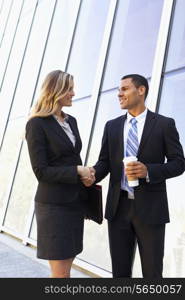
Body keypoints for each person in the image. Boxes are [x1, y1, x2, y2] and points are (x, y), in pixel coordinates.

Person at [83, 74, 185, 278]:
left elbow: (179, 163)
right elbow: (104, 162)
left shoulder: (164, 124)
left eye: (125, 89)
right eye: (119, 89)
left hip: (151, 209)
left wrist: (149, 171)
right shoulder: (111, 126)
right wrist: (92, 174)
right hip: (118, 208)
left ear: (141, 90)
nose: (119, 94)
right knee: (120, 273)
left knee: (152, 273)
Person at [26, 70, 94, 278]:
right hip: (54, 206)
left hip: (74, 203)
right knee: (60, 274)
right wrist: (76, 171)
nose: (73, 93)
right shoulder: (36, 124)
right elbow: (41, 171)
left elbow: (71, 158)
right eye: (69, 89)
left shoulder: (71, 121)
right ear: (56, 90)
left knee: (66, 270)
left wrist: (85, 173)